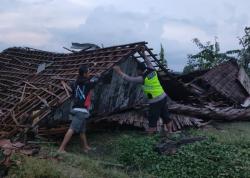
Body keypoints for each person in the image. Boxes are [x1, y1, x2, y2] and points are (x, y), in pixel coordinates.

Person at [113, 47, 172, 134]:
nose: (137, 72)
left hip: (155, 100)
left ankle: (149, 138)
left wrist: (119, 71)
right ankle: (170, 132)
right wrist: (143, 53)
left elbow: (129, 79)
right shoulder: (152, 70)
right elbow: (148, 61)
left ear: (140, 70)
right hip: (163, 97)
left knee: (152, 119)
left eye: (137, 71)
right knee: (166, 116)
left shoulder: (142, 78)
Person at [58, 65, 99, 153]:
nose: (90, 73)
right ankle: (61, 149)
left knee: (82, 131)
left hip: (77, 109)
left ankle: (85, 147)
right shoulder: (88, 83)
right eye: (88, 72)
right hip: (80, 111)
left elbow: (72, 87)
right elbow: (95, 80)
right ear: (84, 74)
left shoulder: (75, 83)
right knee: (72, 129)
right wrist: (98, 75)